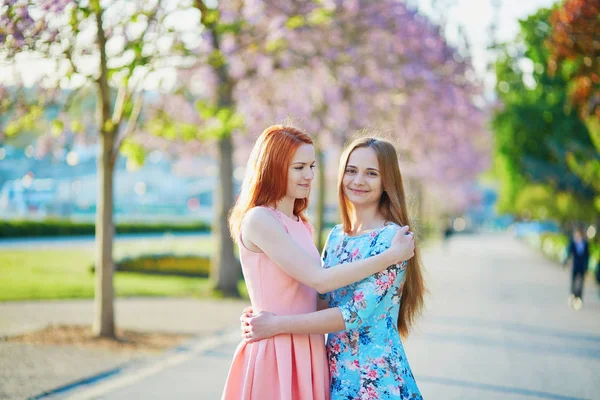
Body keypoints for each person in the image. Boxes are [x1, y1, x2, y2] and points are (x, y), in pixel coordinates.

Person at [222, 127, 415, 400]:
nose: (310, 175)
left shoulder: (390, 240)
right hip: (302, 355)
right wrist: (264, 310)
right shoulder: (334, 236)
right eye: (299, 167)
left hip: (369, 373)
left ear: (387, 181)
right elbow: (320, 288)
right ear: (273, 167)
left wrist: (276, 318)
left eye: (311, 166)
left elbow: (346, 310)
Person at [565, 228, 589, 310]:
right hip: (574, 266)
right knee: (574, 282)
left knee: (581, 284)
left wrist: (587, 267)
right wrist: (566, 262)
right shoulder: (573, 243)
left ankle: (579, 298)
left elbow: (587, 256)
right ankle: (573, 295)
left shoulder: (585, 243)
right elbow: (569, 252)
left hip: (582, 267)